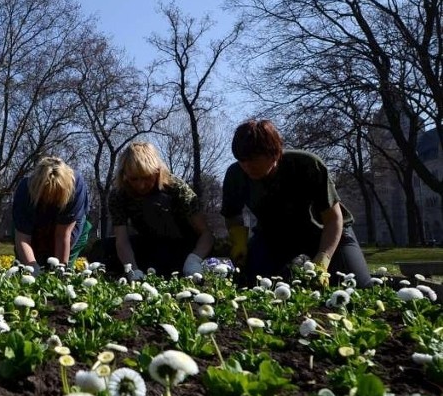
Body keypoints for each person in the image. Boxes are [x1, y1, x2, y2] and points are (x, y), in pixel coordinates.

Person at [221, 119, 372, 287]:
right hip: (273, 236)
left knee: (356, 285)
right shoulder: (236, 175)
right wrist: (239, 241)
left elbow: (333, 219)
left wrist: (323, 259)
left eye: (254, 158)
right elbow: (232, 214)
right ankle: (289, 272)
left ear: (274, 153)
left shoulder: (307, 165)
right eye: (242, 160)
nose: (247, 166)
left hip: (323, 232)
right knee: (250, 283)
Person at [90, 142, 213, 279]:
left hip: (182, 244)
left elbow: (206, 234)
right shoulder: (118, 195)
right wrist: (132, 269)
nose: (141, 186)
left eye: (147, 178)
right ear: (124, 175)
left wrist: (194, 260)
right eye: (134, 179)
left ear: (157, 171)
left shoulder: (176, 188)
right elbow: (122, 240)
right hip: (149, 242)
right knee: (103, 248)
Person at [12, 156, 92, 272]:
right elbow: (23, 238)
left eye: (56, 194)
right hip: (36, 225)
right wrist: (33, 268)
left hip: (69, 229)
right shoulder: (24, 191)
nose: (50, 199)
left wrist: (61, 269)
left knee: (60, 268)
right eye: (46, 194)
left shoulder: (76, 186)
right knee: (28, 267)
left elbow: (63, 235)